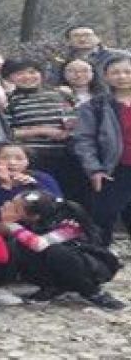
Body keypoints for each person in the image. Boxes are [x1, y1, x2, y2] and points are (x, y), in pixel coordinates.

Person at [0, 190, 124, 309]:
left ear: (35, 216)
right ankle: (51, 286)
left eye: (16, 208)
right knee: (20, 244)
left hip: (89, 265)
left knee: (56, 252)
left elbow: (40, 244)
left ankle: (92, 292)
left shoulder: (69, 220)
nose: (9, 207)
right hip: (59, 262)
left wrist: (11, 224)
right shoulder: (36, 219)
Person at [1, 58, 84, 202]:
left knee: (69, 194)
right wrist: (42, 130)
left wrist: (69, 128)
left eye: (32, 72)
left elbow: (76, 117)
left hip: (66, 154)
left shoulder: (60, 95)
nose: (27, 77)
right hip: (33, 157)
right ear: (9, 78)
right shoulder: (9, 101)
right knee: (40, 195)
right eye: (20, 73)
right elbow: (6, 133)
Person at [70, 54, 131, 246]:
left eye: (127, 72)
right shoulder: (95, 106)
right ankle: (100, 258)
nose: (122, 76)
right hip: (113, 169)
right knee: (104, 218)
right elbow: (84, 140)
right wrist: (94, 169)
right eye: (116, 72)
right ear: (105, 76)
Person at [0, 143, 61, 220]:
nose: (12, 162)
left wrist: (36, 186)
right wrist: (5, 186)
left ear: (27, 162)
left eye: (19, 158)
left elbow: (57, 205)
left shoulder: (42, 177)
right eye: (5, 158)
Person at [63, 25, 129, 78]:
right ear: (68, 41)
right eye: (76, 36)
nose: (82, 39)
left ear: (98, 38)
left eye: (87, 35)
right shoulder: (63, 61)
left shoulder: (121, 56)